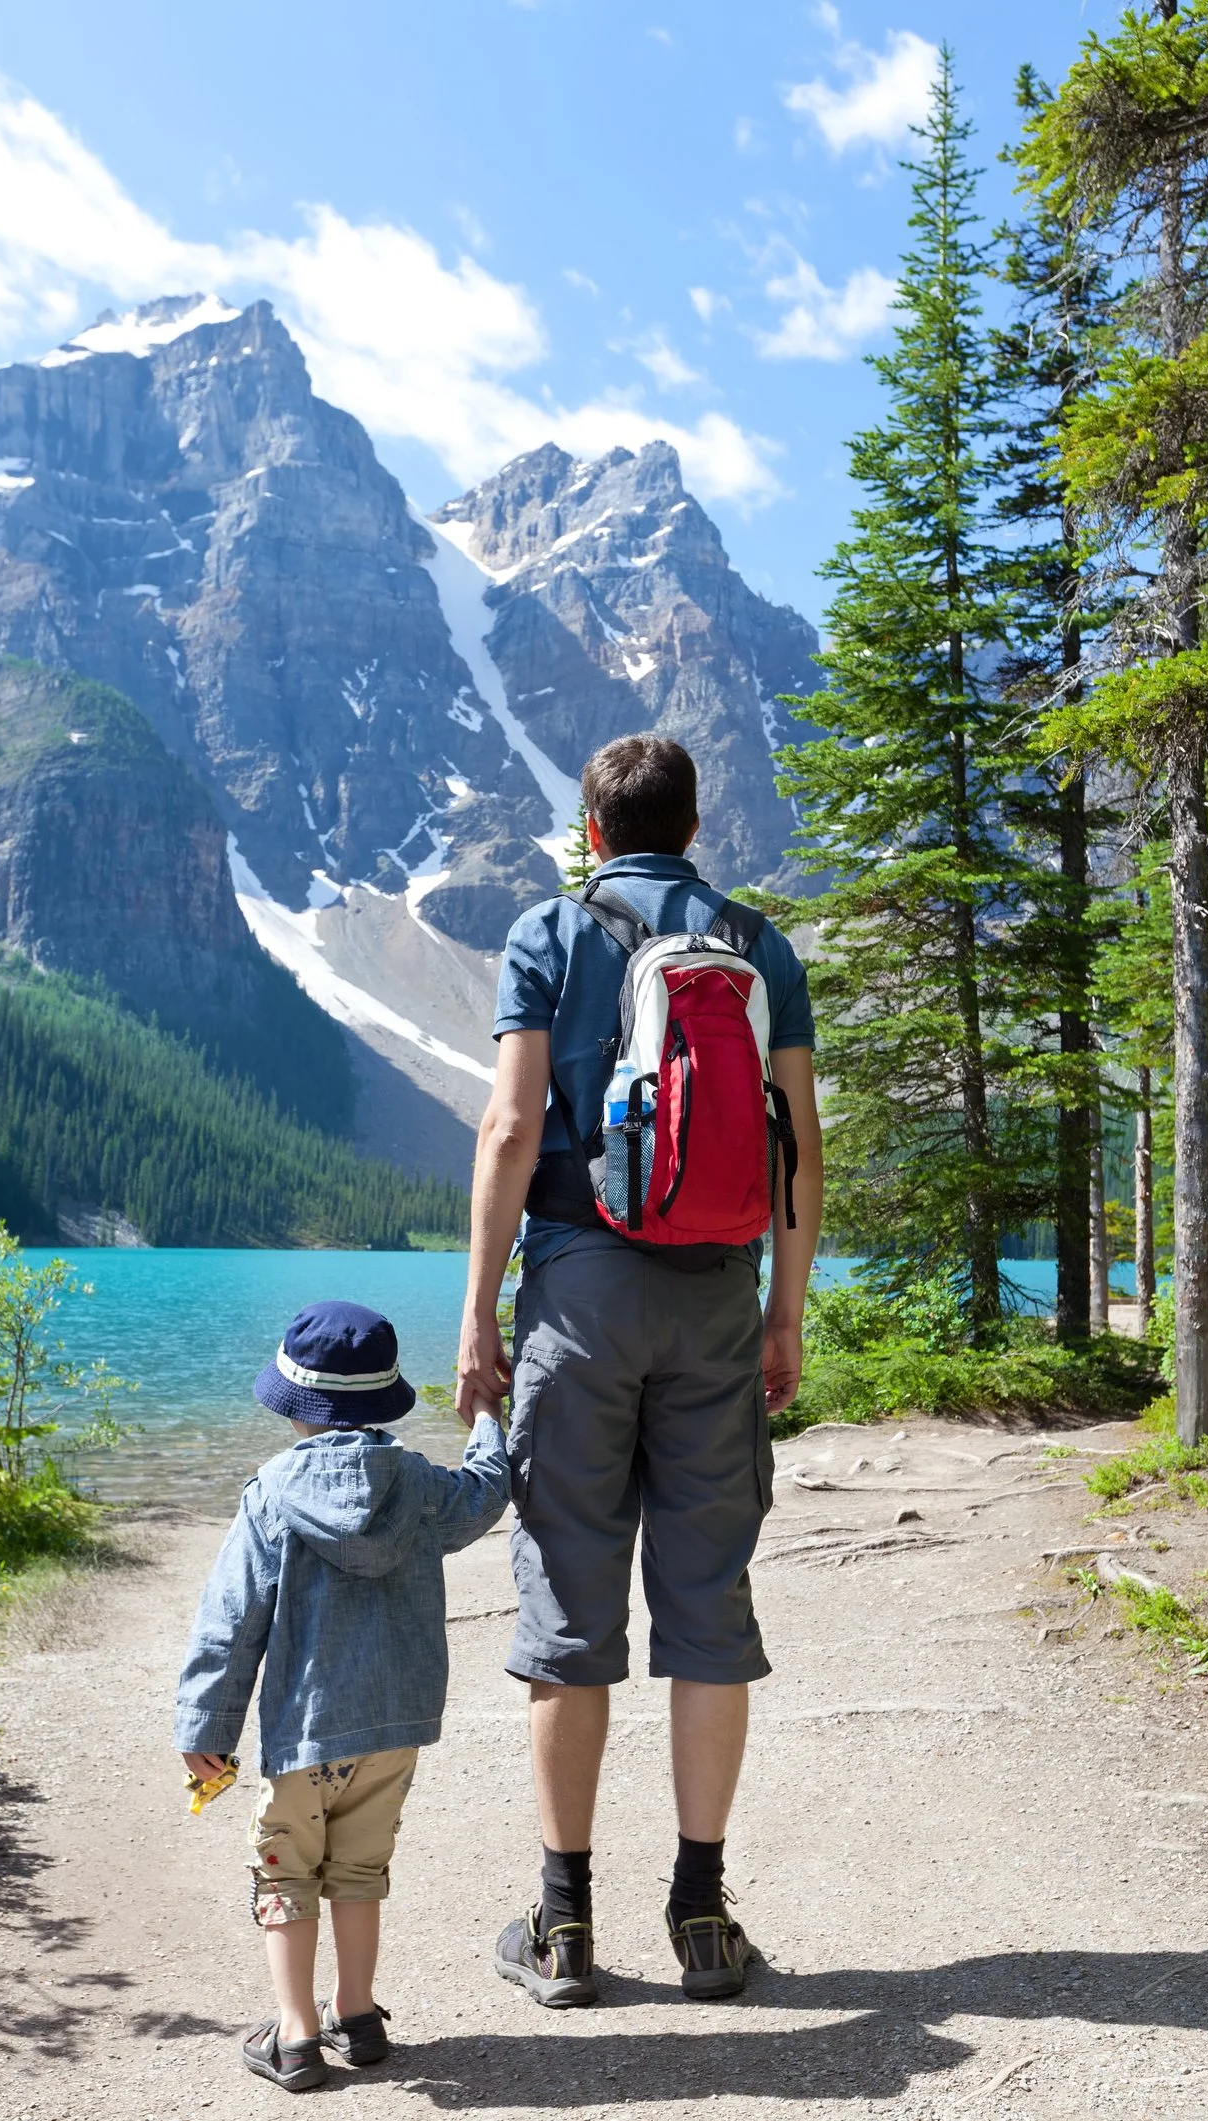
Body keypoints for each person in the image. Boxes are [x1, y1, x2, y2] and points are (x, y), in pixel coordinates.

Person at [455, 733, 823, 2008]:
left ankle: (563, 1928)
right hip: (718, 1297)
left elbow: (509, 1126)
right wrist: (785, 1316)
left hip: (578, 1292)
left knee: (568, 1613)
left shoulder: (549, 932)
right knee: (708, 1606)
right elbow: (799, 1151)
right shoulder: (751, 942)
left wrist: (476, 1319)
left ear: (594, 831)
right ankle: (704, 1914)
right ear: (694, 823)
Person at [174, 1299, 509, 2091]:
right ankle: (356, 2014)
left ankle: (294, 2036)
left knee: (285, 1873)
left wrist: (206, 1722)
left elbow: (229, 1621)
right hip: (393, 1727)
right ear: (383, 1399)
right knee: (360, 1869)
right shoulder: (419, 1484)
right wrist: (488, 1412)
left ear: (295, 1405)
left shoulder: (269, 1494)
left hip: (305, 1731)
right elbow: (488, 1489)